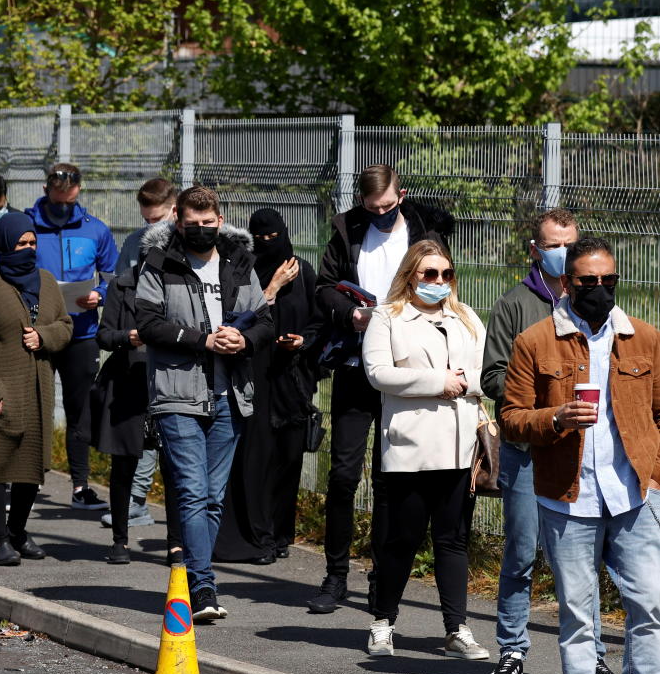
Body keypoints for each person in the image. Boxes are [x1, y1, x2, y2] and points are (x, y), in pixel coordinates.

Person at [501, 237, 660, 674]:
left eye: (608, 282)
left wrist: (655, 474)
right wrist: (556, 418)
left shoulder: (645, 338)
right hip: (567, 498)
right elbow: (510, 418)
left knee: (649, 606)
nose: (599, 291)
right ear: (567, 283)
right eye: (588, 282)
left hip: (633, 494)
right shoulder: (536, 341)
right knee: (577, 612)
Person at [482, 210, 619, 674]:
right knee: (521, 553)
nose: (562, 251)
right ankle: (512, 650)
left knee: (583, 563)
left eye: (570, 243)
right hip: (528, 450)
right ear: (536, 250)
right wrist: (546, 400)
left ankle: (596, 658)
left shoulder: (597, 302)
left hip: (584, 452)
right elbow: (492, 377)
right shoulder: (517, 305)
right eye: (552, 244)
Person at [308, 164, 453, 614]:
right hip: (356, 363)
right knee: (344, 475)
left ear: (402, 194)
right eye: (373, 209)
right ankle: (335, 576)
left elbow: (441, 281)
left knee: (391, 479)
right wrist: (348, 314)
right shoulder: (347, 229)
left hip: (404, 369)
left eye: (389, 206)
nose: (381, 214)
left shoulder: (425, 229)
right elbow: (325, 286)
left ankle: (380, 580)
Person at [135, 185, 274, 621]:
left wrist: (243, 339)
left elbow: (264, 319)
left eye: (208, 224)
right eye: (191, 224)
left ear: (220, 219)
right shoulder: (159, 262)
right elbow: (148, 322)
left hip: (230, 392)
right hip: (177, 392)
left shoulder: (239, 263)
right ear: (178, 220)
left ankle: (194, 571)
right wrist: (203, 340)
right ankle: (202, 585)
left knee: (214, 497)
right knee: (192, 493)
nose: (200, 231)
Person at [360, 239, 489, 659]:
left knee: (453, 539)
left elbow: (486, 371)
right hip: (411, 447)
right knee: (404, 538)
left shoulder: (466, 317)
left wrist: (464, 382)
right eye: (429, 274)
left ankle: (457, 629)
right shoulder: (388, 316)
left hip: (458, 445)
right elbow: (378, 373)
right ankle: (382, 622)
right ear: (411, 275)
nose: (438, 282)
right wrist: (438, 381)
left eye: (446, 274)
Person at [0, 213, 73, 564]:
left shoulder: (47, 281)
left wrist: (44, 336)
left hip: (38, 388)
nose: (27, 249)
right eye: (20, 243)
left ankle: (18, 532)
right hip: (0, 387)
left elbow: (65, 325)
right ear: (5, 244)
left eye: (32, 243)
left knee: (30, 467)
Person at [218, 208, 323, 563]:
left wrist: (301, 342)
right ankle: (259, 535)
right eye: (260, 239)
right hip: (255, 379)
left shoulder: (302, 272)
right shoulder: (243, 270)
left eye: (273, 237)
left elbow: (318, 323)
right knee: (257, 458)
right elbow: (238, 315)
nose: (267, 244)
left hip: (292, 380)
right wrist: (273, 287)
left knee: (289, 459)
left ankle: (281, 534)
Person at [25, 163, 118, 510]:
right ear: (48, 188)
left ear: (78, 190)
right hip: (39, 330)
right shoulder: (28, 225)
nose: (63, 199)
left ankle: (81, 487)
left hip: (82, 333)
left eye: (70, 193)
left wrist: (100, 295)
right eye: (57, 193)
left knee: (79, 410)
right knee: (34, 407)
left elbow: (113, 276)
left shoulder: (95, 230)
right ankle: (26, 483)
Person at [92, 268, 184, 565]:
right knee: (123, 465)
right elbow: (104, 335)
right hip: (128, 384)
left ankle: (176, 544)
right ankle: (120, 541)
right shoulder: (123, 284)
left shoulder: (181, 281)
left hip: (170, 381)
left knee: (175, 468)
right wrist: (126, 336)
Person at [103, 177, 178, 532]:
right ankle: (134, 501)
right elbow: (121, 288)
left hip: (174, 350)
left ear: (174, 211)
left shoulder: (185, 242)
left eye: (159, 218)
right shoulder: (134, 243)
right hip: (137, 353)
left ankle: (142, 502)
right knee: (141, 431)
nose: (152, 227)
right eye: (147, 220)